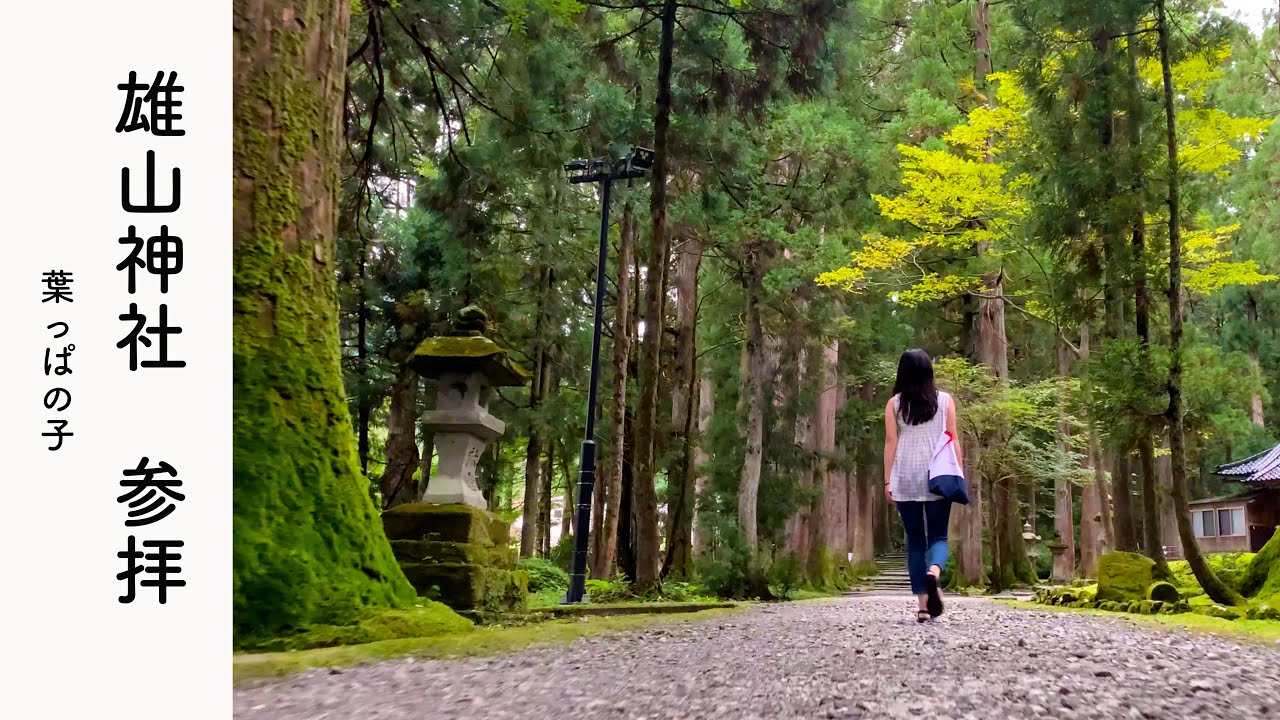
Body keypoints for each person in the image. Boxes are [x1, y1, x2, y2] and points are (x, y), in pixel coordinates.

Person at [883, 348, 961, 622]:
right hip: (938, 474)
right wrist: (958, 473)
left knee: (915, 542)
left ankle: (923, 607)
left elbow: (891, 442)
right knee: (938, 537)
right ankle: (934, 572)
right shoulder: (945, 401)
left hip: (906, 475)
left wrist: (888, 479)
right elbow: (952, 438)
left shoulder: (894, 404)